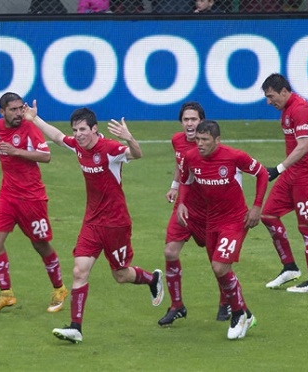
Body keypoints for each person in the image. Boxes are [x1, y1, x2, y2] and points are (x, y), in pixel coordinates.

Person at [22, 101, 164, 344]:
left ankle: (152, 279)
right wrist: (34, 118)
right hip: (92, 221)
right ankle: (76, 327)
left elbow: (137, 154)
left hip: (116, 223)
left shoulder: (110, 149)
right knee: (79, 271)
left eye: (83, 130)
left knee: (119, 274)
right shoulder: (77, 146)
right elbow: (57, 137)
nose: (78, 135)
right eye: (75, 130)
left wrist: (129, 138)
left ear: (95, 129)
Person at [177, 120, 268, 340]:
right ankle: (246, 312)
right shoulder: (190, 158)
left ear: (217, 140)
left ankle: (237, 314)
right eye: (197, 139)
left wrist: (256, 206)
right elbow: (186, 181)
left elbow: (262, 173)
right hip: (212, 220)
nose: (199, 144)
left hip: (235, 220)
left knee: (220, 266)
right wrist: (181, 202)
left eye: (205, 140)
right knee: (219, 270)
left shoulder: (235, 157)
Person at [0, 92, 68, 314]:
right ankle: (6, 294)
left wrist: (17, 151)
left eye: (21, 108)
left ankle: (59, 289)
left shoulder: (29, 128)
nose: (19, 113)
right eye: (13, 109)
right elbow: (2, 148)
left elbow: (46, 156)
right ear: (2, 112)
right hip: (7, 196)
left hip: (32, 198)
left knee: (40, 244)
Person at [158, 102, 232, 327]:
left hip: (209, 211)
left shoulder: (213, 148)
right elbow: (181, 166)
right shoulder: (176, 140)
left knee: (216, 262)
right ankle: (177, 305)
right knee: (170, 251)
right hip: (183, 206)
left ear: (202, 122)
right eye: (186, 119)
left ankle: (225, 300)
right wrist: (174, 186)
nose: (190, 124)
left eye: (194, 119)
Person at [260, 73, 308, 293]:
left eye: (271, 96)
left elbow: (303, 146)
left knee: (306, 226)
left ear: (284, 91)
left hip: (306, 177)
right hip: (292, 175)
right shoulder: (287, 110)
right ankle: (289, 267)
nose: (268, 102)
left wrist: (278, 169)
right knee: (267, 214)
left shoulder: (300, 110)